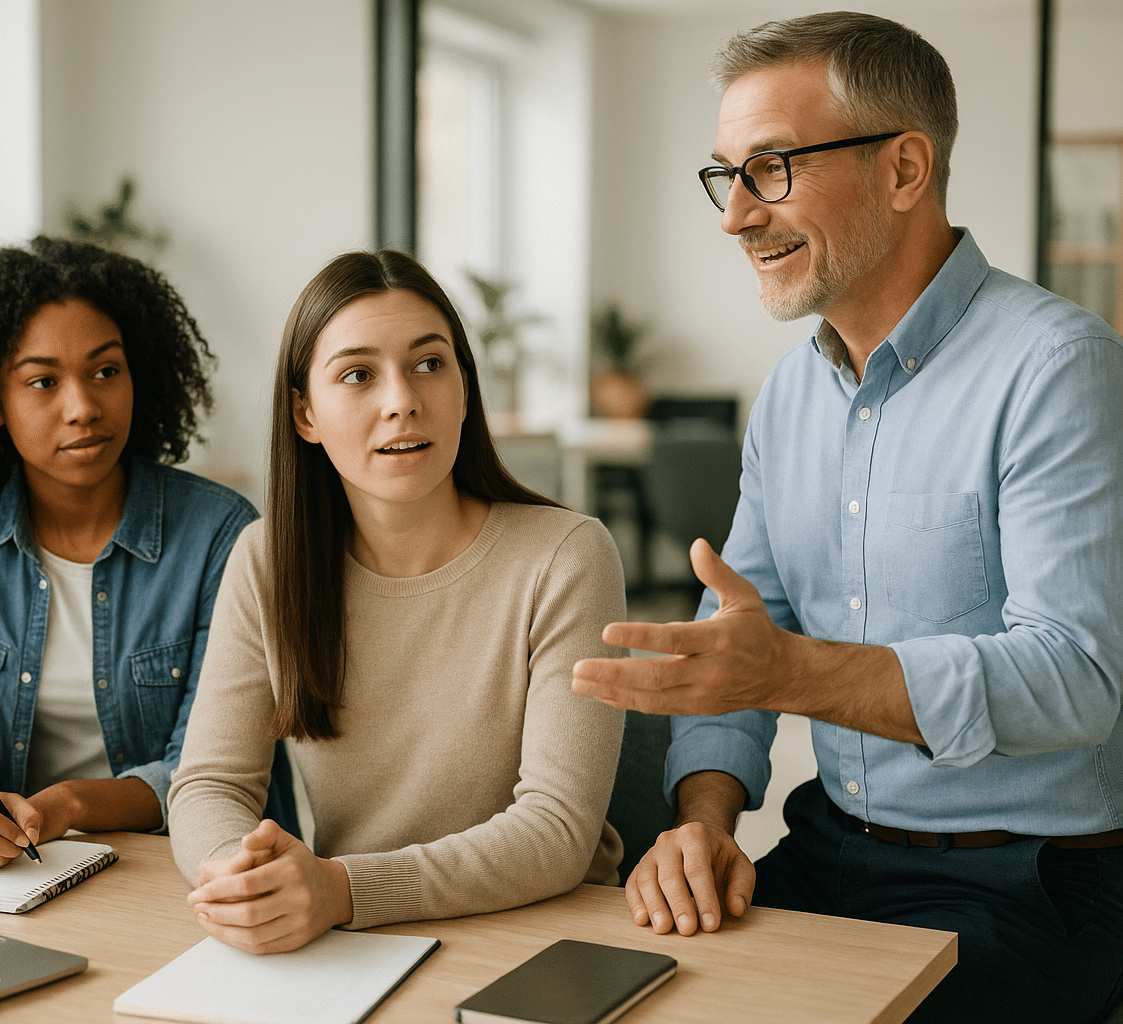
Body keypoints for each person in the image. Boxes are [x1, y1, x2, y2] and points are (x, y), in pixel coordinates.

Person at [570, 13, 1123, 1023]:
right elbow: (734, 639)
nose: (735, 216)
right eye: (724, 175)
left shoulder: (1058, 369)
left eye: (771, 169)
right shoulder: (789, 397)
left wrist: (792, 671)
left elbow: (1078, 678)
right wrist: (703, 823)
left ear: (906, 167)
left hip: (1027, 889)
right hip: (831, 851)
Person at [168, 250, 627, 954]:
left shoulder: (565, 555)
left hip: (544, 937)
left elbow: (556, 831)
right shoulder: (268, 561)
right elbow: (208, 784)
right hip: (356, 943)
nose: (402, 399)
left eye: (430, 364)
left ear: (465, 390)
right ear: (306, 414)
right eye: (358, 374)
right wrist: (241, 875)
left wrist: (340, 890)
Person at [0, 236, 270, 871]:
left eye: (106, 371)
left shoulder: (223, 535)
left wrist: (68, 806)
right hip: (25, 872)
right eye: (43, 381)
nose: (83, 407)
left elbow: (204, 771)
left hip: (197, 870)